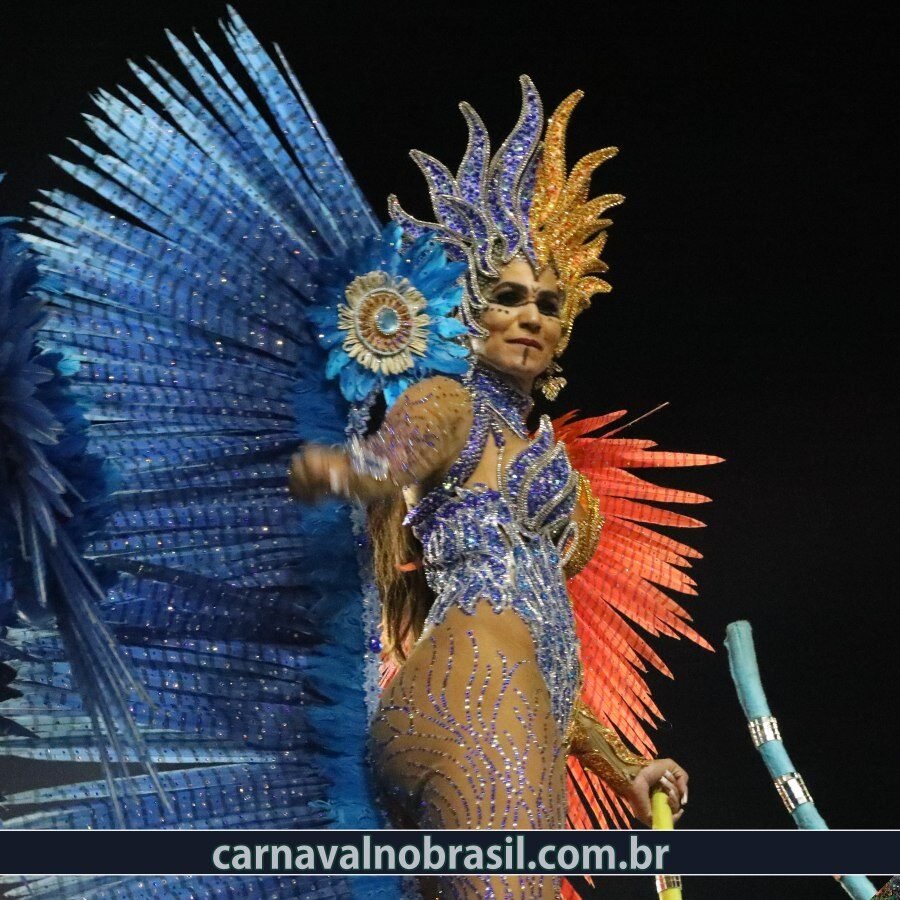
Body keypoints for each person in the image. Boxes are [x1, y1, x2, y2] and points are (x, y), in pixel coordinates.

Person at [288, 81, 704, 898]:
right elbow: (388, 460)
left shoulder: (553, 481)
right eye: (506, 296)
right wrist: (339, 469)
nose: (530, 316)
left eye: (549, 304)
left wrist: (626, 768)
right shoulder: (448, 404)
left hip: (511, 716)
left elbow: (545, 642)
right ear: (467, 311)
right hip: (469, 701)